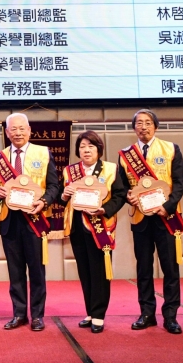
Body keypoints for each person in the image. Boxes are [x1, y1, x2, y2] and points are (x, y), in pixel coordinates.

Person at [117, 109, 183, 335]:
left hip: (166, 217)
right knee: (144, 268)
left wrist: (167, 206)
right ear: (134, 128)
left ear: (155, 126)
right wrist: (128, 196)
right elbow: (121, 187)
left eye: (148, 123)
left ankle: (171, 316)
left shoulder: (170, 149)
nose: (143, 127)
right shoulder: (126, 155)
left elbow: (180, 182)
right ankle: (147, 313)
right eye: (139, 123)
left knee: (170, 268)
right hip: (140, 218)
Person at [0, 113, 59, 331]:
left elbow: (54, 186)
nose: (18, 133)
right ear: (7, 133)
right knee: (15, 271)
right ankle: (19, 314)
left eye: (21, 128)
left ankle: (37, 315)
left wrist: (44, 202)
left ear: (29, 130)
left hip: (35, 219)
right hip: (9, 221)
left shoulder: (43, 153)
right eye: (13, 129)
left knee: (36, 271)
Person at [61, 131, 127, 333]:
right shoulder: (70, 171)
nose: (86, 150)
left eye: (91, 146)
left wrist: (104, 210)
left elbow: (120, 195)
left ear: (99, 149)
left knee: (99, 271)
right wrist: (64, 195)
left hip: (100, 226)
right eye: (82, 147)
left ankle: (99, 314)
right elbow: (62, 200)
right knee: (84, 271)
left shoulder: (110, 169)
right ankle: (90, 312)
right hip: (77, 227)